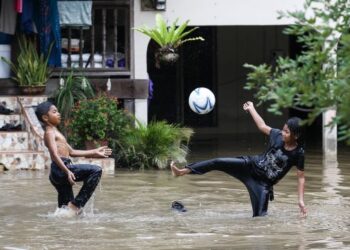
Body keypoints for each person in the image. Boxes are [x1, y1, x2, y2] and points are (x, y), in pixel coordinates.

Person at [171, 101, 307, 217]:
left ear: (296, 135)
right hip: (249, 166)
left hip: (262, 185)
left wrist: (300, 200)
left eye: (287, 132)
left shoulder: (298, 153)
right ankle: (182, 171)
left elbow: (301, 177)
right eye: (283, 130)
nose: (283, 133)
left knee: (260, 219)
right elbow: (262, 126)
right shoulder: (277, 135)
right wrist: (251, 108)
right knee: (217, 162)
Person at [35, 101, 112, 216]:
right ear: (46, 117)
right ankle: (77, 204)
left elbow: (72, 152)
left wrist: (95, 151)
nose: (59, 114)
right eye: (55, 112)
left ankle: (62, 225)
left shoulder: (56, 132)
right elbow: (54, 155)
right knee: (96, 170)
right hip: (61, 169)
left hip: (59, 171)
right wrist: (67, 171)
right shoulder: (49, 132)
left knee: (66, 212)